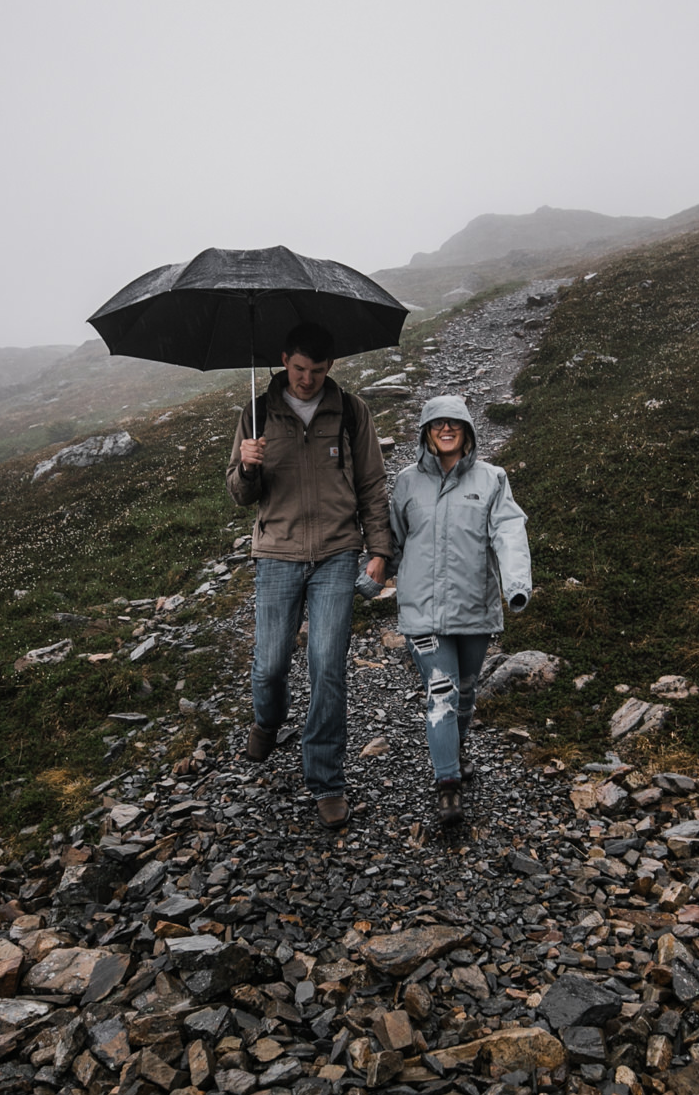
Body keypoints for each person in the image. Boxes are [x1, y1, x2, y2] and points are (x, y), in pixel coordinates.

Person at [226, 322, 392, 829]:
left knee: (327, 666)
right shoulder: (255, 413)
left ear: (330, 367)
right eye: (299, 369)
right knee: (271, 664)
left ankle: (326, 782)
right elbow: (238, 494)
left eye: (317, 371)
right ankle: (268, 720)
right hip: (276, 552)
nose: (306, 380)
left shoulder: (350, 410)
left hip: (338, 553)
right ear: (283, 360)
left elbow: (371, 483)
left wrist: (380, 550)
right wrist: (248, 467)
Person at [385, 395, 532, 823]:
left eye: (454, 423)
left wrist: (517, 585)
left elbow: (509, 532)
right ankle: (447, 784)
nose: (445, 430)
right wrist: (371, 576)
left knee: (465, 693)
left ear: (467, 430)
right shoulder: (407, 482)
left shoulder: (492, 480)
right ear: (425, 432)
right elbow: (392, 539)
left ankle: (454, 747)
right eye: (436, 424)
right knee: (442, 693)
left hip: (474, 608)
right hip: (423, 612)